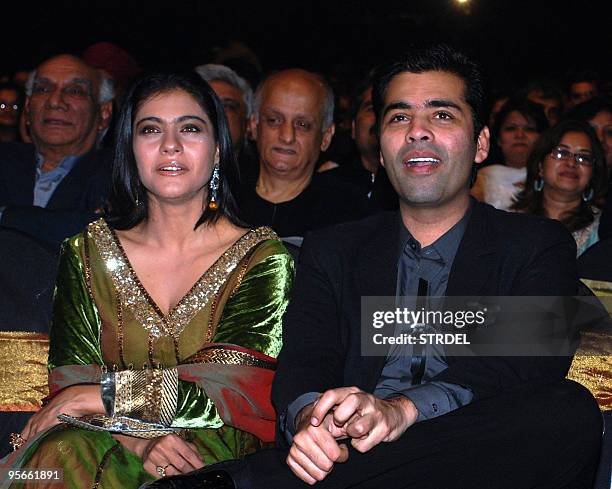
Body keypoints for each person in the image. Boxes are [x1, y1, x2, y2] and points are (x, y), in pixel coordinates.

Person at [146, 44, 602, 489]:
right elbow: (307, 359)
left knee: (566, 411)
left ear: (481, 143)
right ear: (381, 150)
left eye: (441, 115)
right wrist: (313, 419)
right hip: (351, 449)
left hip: (479, 452)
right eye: (399, 117)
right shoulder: (336, 249)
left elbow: (525, 364)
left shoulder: (534, 245)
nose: (417, 131)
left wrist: (401, 410)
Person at [0, 72, 293, 488]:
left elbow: (235, 392)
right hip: (94, 437)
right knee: (60, 455)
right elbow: (68, 384)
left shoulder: (262, 258)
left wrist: (98, 395)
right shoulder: (87, 252)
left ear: (217, 152)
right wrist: (133, 434)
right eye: (150, 129)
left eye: (190, 128)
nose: (170, 144)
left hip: (213, 451)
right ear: (130, 151)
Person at [235, 68, 369, 239]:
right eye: (274, 120)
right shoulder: (222, 199)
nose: (287, 136)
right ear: (254, 126)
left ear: (326, 136)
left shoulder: (352, 213)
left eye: (302, 125)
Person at [0, 54, 115, 250]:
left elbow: (103, 236)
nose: (54, 101)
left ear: (104, 113)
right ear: (28, 108)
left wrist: (6, 215)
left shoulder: (120, 172)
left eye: (75, 91)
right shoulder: (5, 159)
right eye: (43, 89)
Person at [512, 119, 607, 256]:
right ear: (540, 166)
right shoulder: (512, 222)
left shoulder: (603, 229)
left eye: (583, 158)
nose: (571, 163)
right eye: (561, 153)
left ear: (593, 173)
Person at [471, 98, 548, 210]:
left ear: (542, 137)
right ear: (498, 138)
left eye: (529, 129)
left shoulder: (554, 181)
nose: (520, 135)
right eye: (511, 128)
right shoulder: (479, 180)